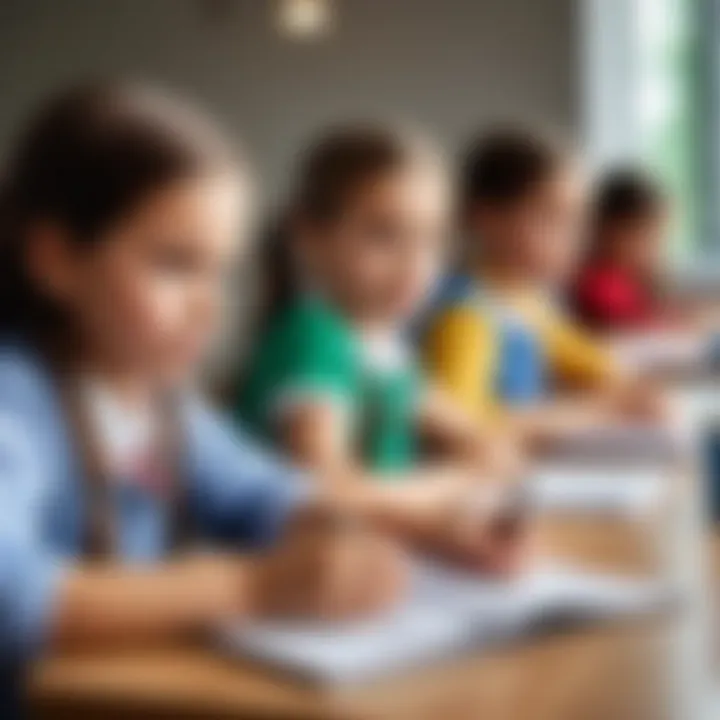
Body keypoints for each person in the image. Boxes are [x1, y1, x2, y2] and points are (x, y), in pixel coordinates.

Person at [0, 83, 407, 687]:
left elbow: (264, 493)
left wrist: (372, 533)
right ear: (56, 258)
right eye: (175, 264)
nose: (210, 307)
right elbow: (12, 596)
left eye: (220, 269)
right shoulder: (16, 400)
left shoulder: (163, 404)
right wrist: (252, 586)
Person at [237, 125, 529, 569]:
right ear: (309, 236)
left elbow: (486, 443)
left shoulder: (384, 346)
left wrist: (463, 480)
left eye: (431, 238)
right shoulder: (312, 338)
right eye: (384, 235)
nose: (415, 263)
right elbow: (327, 487)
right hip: (295, 575)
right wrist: (452, 487)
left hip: (372, 560)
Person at [423, 129, 662, 444]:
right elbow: (457, 428)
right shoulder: (465, 316)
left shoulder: (526, 300)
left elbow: (590, 360)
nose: (575, 239)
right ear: (487, 218)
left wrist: (628, 389)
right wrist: (590, 411)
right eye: (553, 219)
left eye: (577, 221)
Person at [571, 169, 669, 332]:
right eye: (645, 236)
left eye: (658, 237)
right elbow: (639, 331)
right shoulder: (600, 284)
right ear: (608, 233)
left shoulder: (629, 280)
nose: (654, 249)